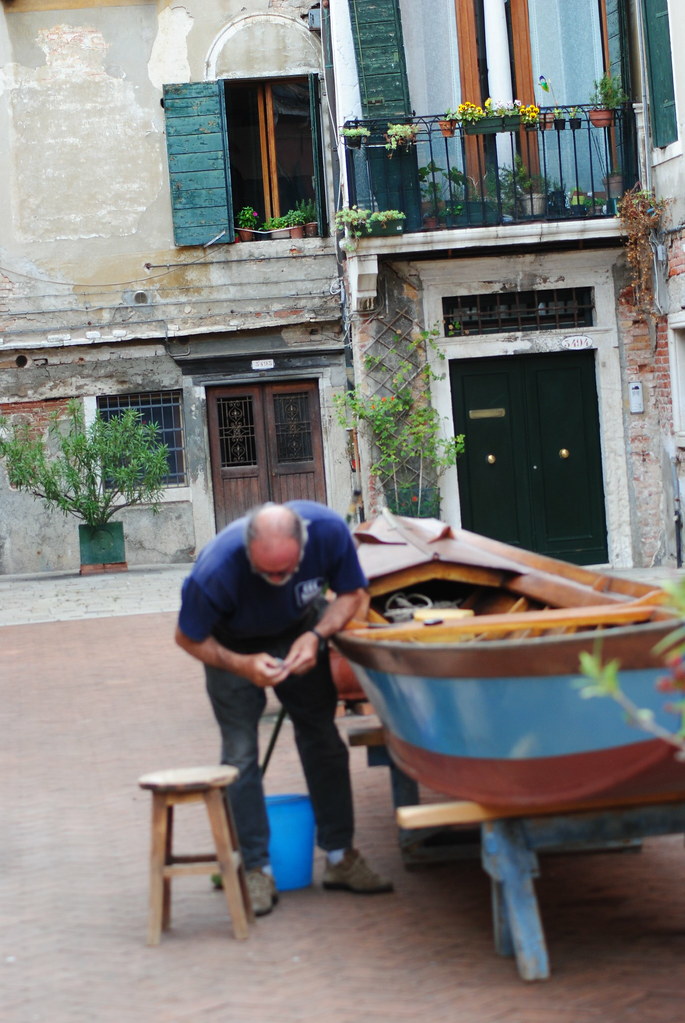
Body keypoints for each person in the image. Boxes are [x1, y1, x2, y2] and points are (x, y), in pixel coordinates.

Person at [175, 500, 393, 916]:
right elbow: (187, 638)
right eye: (267, 573)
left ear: (304, 547)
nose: (277, 580)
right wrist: (241, 665)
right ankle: (255, 869)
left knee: (323, 739)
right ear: (247, 549)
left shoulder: (328, 532)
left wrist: (317, 635)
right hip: (231, 644)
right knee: (239, 755)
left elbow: (353, 594)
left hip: (300, 627)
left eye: (286, 572)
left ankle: (340, 857)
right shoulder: (215, 570)